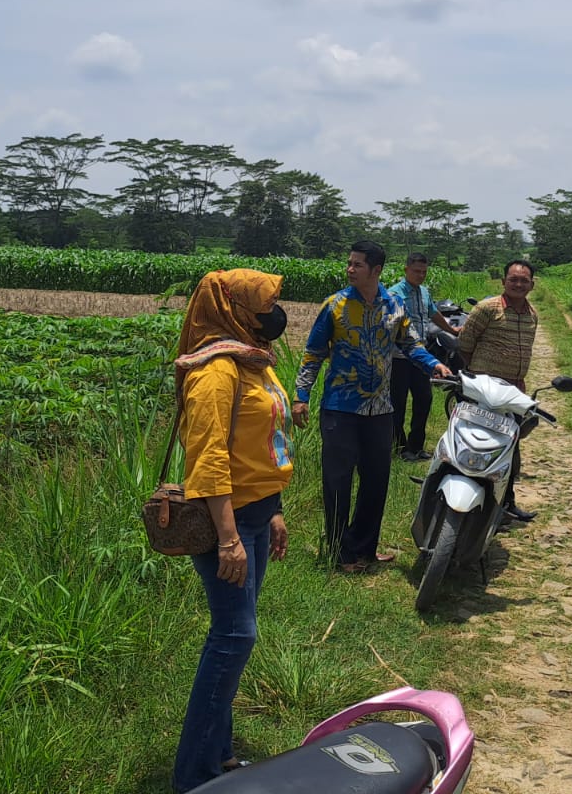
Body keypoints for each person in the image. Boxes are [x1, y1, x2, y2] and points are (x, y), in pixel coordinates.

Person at [172, 269, 296, 792]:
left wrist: (273, 508)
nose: (274, 314)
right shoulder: (215, 371)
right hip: (228, 520)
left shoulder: (251, 358)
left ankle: (219, 755)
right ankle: (194, 775)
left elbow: (263, 442)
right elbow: (209, 458)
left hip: (255, 513)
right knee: (234, 635)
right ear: (234, 308)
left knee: (234, 633)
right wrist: (229, 537)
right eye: (263, 303)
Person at [295, 241, 450, 572]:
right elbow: (313, 354)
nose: (350, 269)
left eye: (357, 265)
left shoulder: (393, 305)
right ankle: (339, 552)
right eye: (349, 263)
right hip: (340, 409)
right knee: (337, 482)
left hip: (380, 410)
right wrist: (301, 396)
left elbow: (410, 345)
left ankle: (363, 549)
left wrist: (433, 365)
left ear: (376, 270)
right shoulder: (335, 306)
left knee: (375, 482)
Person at [457, 258, 540, 522]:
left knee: (509, 449)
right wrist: (476, 376)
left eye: (523, 280)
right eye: (513, 279)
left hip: (513, 392)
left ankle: (505, 504)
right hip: (483, 389)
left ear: (532, 284)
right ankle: (467, 502)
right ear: (503, 281)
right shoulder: (486, 309)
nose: (518, 284)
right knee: (473, 443)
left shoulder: (532, 315)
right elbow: (465, 345)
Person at [387, 251, 456, 462]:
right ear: (406, 270)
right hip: (399, 358)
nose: (421, 275)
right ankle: (399, 447)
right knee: (397, 403)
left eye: (424, 272)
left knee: (423, 400)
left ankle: (415, 447)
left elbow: (433, 313)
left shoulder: (424, 292)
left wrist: (452, 331)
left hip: (421, 356)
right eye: (417, 271)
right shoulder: (394, 293)